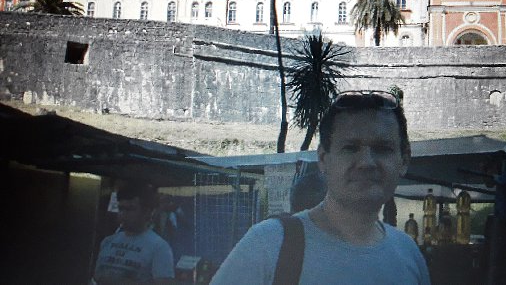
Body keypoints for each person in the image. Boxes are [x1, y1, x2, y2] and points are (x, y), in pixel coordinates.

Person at [211, 90, 431, 284]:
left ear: (404, 161)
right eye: (350, 148)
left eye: (382, 149)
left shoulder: (408, 254)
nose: (366, 162)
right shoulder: (268, 246)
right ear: (324, 159)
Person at [92, 182, 175, 285]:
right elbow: (97, 277)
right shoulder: (107, 242)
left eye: (130, 209)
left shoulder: (159, 247)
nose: (123, 214)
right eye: (121, 208)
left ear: (147, 212)